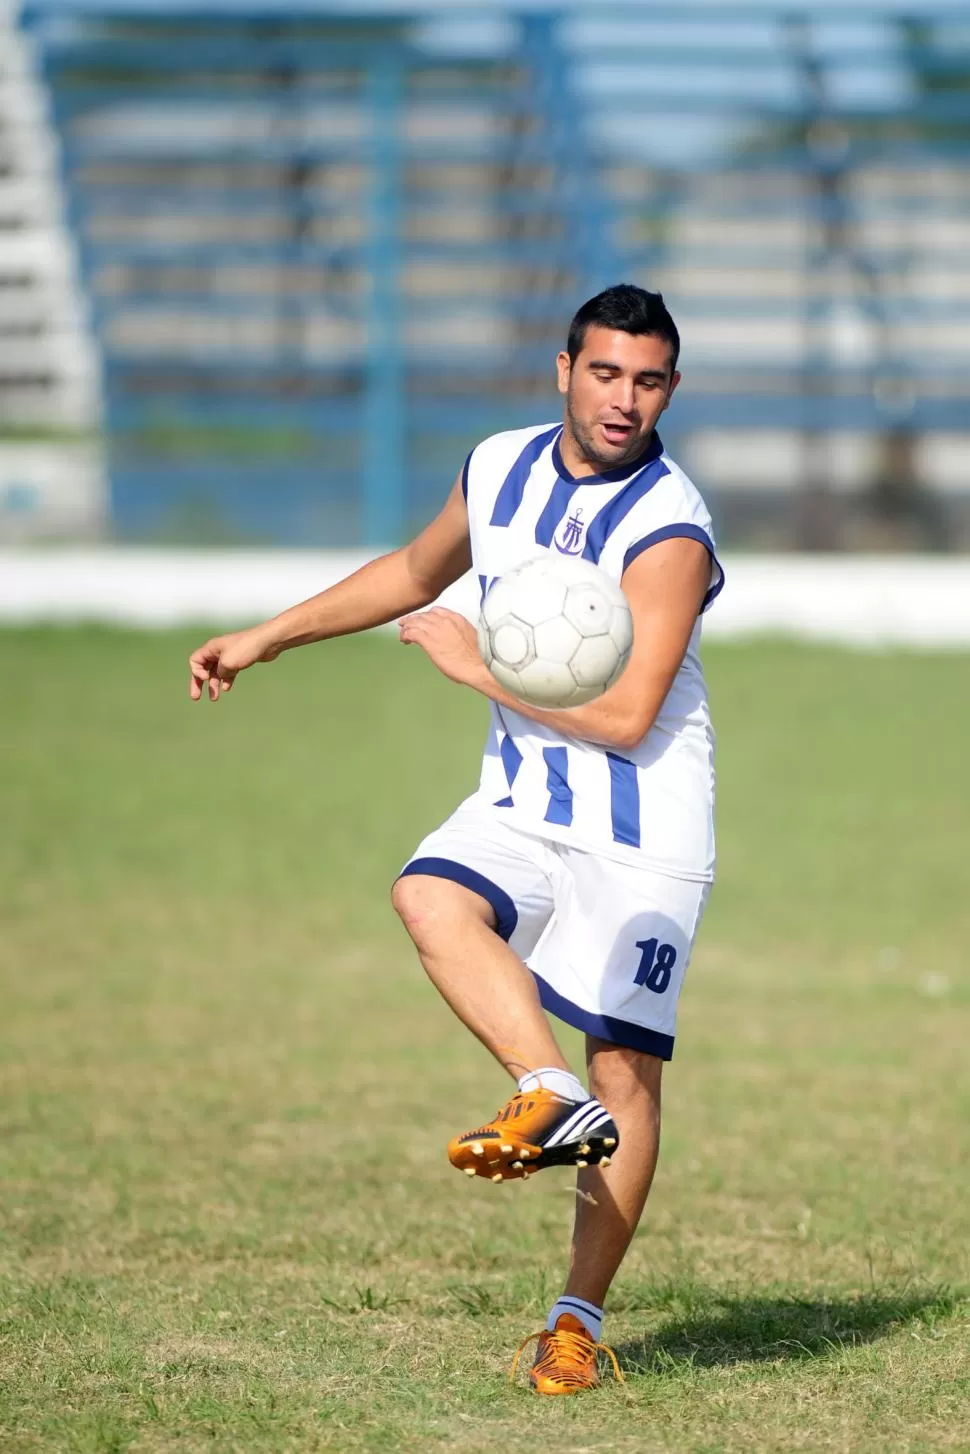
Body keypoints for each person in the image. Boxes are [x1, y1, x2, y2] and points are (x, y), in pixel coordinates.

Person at [188, 284, 723, 1396]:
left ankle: (574, 1318)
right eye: (607, 372)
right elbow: (415, 570)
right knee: (428, 895)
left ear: (670, 389)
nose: (625, 399)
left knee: (624, 1066)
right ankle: (540, 1085)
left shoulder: (668, 525)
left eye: (650, 380)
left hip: (644, 821)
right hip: (525, 797)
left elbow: (628, 717)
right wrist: (270, 635)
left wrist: (477, 665)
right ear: (563, 369)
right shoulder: (498, 466)